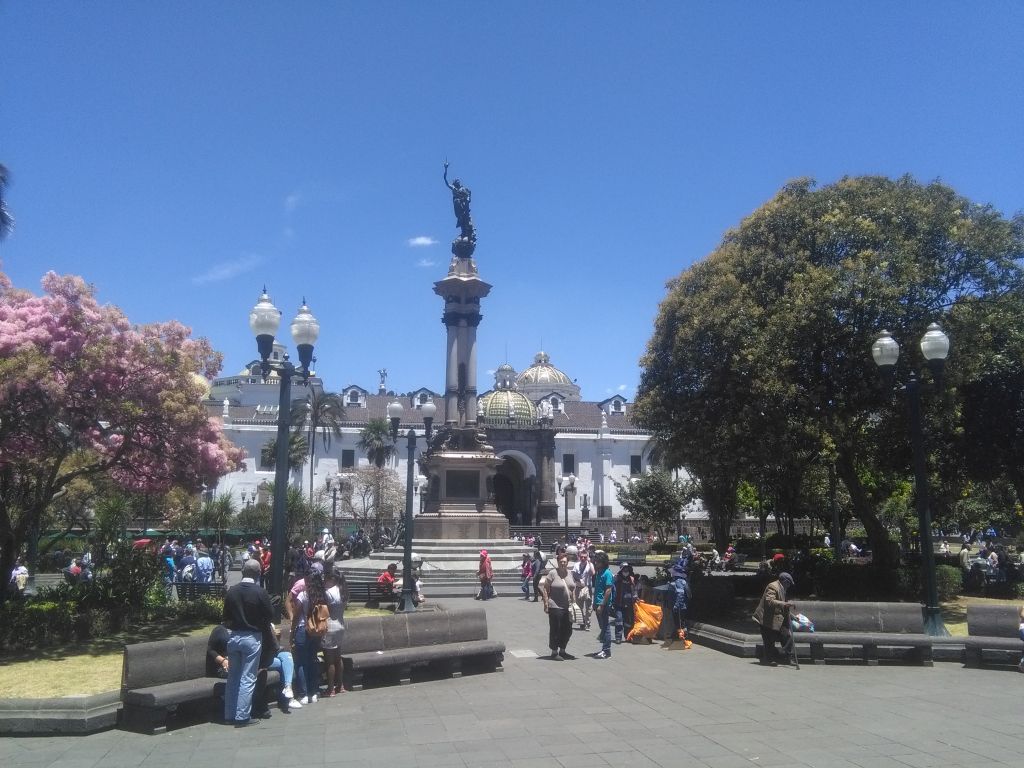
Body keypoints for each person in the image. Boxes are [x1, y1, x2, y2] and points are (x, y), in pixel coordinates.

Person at [223, 558, 274, 726]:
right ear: (258, 573)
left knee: (233, 677)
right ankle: (242, 716)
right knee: (248, 678)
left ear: (243, 572)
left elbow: (226, 617)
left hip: (234, 636)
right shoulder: (260, 592)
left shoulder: (232, 591)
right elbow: (270, 615)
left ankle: (229, 714)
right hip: (251, 637)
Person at [291, 563, 327, 704]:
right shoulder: (322, 596)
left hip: (302, 629)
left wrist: (292, 631)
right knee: (313, 660)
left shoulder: (303, 595)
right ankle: (314, 692)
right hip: (317, 631)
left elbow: (296, 615)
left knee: (301, 662)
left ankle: (304, 693)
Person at [540, 552, 578, 660]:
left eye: (565, 562)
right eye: (561, 562)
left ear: (567, 563)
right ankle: (554, 651)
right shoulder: (552, 573)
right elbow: (546, 589)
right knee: (556, 629)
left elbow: (573, 589)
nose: (563, 564)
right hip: (555, 606)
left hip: (568, 606)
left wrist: (574, 603)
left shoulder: (570, 573)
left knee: (568, 630)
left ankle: (563, 650)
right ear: (557, 562)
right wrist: (546, 604)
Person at [753, 572, 796, 666]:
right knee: (769, 639)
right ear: (784, 581)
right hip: (767, 618)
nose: (789, 586)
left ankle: (789, 658)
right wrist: (784, 603)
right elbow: (769, 601)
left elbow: (782, 605)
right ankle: (769, 659)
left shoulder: (782, 588)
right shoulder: (773, 586)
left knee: (787, 637)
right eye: (788, 583)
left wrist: (792, 616)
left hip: (777, 618)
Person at [321, 566, 349, 697]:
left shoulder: (328, 592)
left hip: (330, 626)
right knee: (338, 657)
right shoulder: (342, 591)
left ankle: (331, 688)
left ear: (331, 578)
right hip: (340, 624)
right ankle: (341, 685)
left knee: (329, 660)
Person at [592, 551, 614, 659]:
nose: (596, 563)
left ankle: (606, 650)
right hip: (597, 603)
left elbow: (608, 590)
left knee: (605, 627)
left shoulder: (607, 573)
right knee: (602, 626)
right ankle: (605, 647)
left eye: (598, 561)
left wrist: (602, 604)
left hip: (603, 604)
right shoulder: (598, 572)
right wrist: (594, 603)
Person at [613, 563, 637, 643]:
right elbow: (612, 588)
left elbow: (634, 590)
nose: (626, 571)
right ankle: (618, 637)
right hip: (618, 603)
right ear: (621, 570)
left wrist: (636, 598)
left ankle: (628, 636)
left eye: (627, 570)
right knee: (619, 620)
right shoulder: (617, 578)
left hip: (629, 604)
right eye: (624, 570)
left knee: (628, 622)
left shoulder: (631, 579)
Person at [670, 563, 692, 648]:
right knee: (681, 622)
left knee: (679, 623)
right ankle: (682, 638)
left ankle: (681, 640)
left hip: (679, 606)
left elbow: (680, 594)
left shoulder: (678, 582)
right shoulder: (683, 581)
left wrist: (677, 605)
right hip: (683, 606)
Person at [572, 551, 594, 630]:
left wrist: (590, 563)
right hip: (579, 588)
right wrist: (578, 580)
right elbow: (573, 574)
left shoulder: (590, 565)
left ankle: (587, 623)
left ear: (587, 557)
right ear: (579, 557)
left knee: (589, 607)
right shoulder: (576, 565)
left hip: (588, 588)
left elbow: (592, 573)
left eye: (585, 557)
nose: (583, 558)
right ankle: (582, 622)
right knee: (579, 607)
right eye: (581, 557)